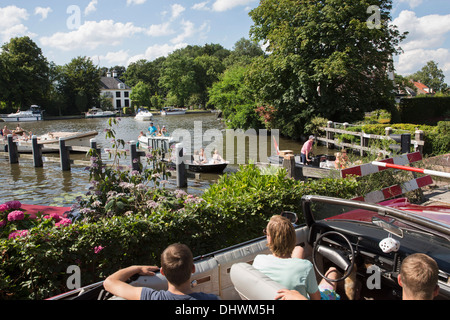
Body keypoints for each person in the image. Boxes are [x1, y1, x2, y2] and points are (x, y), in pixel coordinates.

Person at [253, 215, 340, 300]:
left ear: (270, 238)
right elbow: (316, 298)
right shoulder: (306, 267)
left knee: (299, 249)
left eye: (266, 233)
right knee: (333, 271)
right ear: (293, 238)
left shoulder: (258, 261)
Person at [103, 243, 220, 300]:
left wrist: (136, 268)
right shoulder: (212, 299)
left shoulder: (150, 297)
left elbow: (109, 282)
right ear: (193, 269)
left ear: (162, 272)